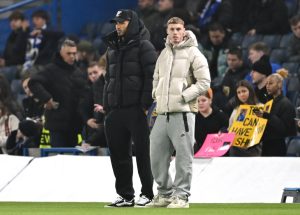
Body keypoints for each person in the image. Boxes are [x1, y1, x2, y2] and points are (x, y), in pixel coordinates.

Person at [148, 17, 210, 208]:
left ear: (184, 31)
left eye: (178, 29)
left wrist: (184, 96)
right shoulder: (163, 55)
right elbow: (156, 77)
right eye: (172, 29)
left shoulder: (194, 53)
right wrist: (156, 94)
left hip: (183, 113)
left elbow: (204, 82)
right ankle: (165, 194)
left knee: (183, 156)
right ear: (167, 32)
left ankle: (181, 196)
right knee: (156, 155)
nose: (175, 33)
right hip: (162, 112)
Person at [103, 9, 157, 207]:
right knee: (118, 155)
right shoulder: (112, 49)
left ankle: (148, 194)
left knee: (143, 153)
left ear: (132, 23)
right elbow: (107, 79)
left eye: (122, 22)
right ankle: (126, 195)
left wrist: (144, 106)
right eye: (116, 23)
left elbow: (152, 77)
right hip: (115, 111)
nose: (117, 26)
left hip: (136, 110)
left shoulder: (145, 46)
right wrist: (107, 106)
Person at [28, 39, 88, 147]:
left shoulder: (79, 72)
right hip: (56, 125)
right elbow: (33, 82)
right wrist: (47, 99)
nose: (72, 56)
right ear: (61, 53)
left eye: (74, 53)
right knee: (59, 158)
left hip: (75, 125)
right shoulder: (50, 69)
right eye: (68, 53)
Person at [255, 73, 297, 156]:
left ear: (280, 84)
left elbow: (284, 129)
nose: (267, 86)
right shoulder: (268, 103)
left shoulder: (286, 104)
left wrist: (267, 116)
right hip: (267, 145)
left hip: (278, 147)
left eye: (270, 83)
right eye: (266, 83)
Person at [228, 80, 262, 156]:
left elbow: (261, 128)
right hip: (236, 149)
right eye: (239, 92)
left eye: (244, 91)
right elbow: (230, 129)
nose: (241, 94)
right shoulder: (236, 109)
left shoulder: (259, 107)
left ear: (250, 91)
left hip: (253, 149)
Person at [80, 62, 107, 149]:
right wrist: (87, 120)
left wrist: (91, 141)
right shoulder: (88, 88)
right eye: (90, 74)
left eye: (95, 72)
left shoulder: (105, 87)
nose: (93, 76)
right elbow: (82, 108)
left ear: (102, 70)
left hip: (101, 134)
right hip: (93, 133)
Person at [194, 88, 228, 153]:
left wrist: (223, 131)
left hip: (217, 150)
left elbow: (227, 129)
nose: (200, 103)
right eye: (198, 101)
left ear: (210, 101)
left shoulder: (220, 115)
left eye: (203, 100)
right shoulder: (193, 117)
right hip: (199, 151)